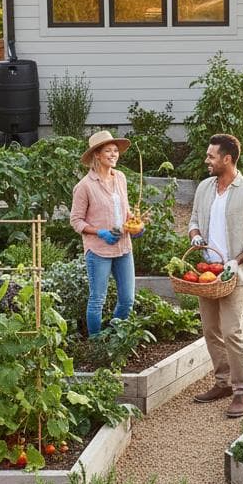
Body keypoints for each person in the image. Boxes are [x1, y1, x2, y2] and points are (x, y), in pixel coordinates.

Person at [188, 133, 243, 419]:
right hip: (208, 273)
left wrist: (236, 261)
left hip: (233, 274)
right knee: (210, 330)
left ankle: (242, 391)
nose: (206, 160)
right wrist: (195, 235)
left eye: (211, 156)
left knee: (232, 331)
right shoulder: (205, 188)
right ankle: (222, 383)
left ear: (227, 159)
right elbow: (194, 219)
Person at [70, 130, 142, 336]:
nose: (114, 154)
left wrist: (135, 224)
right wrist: (100, 232)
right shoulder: (84, 186)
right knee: (97, 300)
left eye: (115, 151)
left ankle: (111, 336)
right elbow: (75, 221)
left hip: (123, 247)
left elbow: (125, 209)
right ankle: (95, 344)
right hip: (99, 250)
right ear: (97, 155)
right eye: (108, 151)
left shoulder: (120, 178)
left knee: (127, 299)